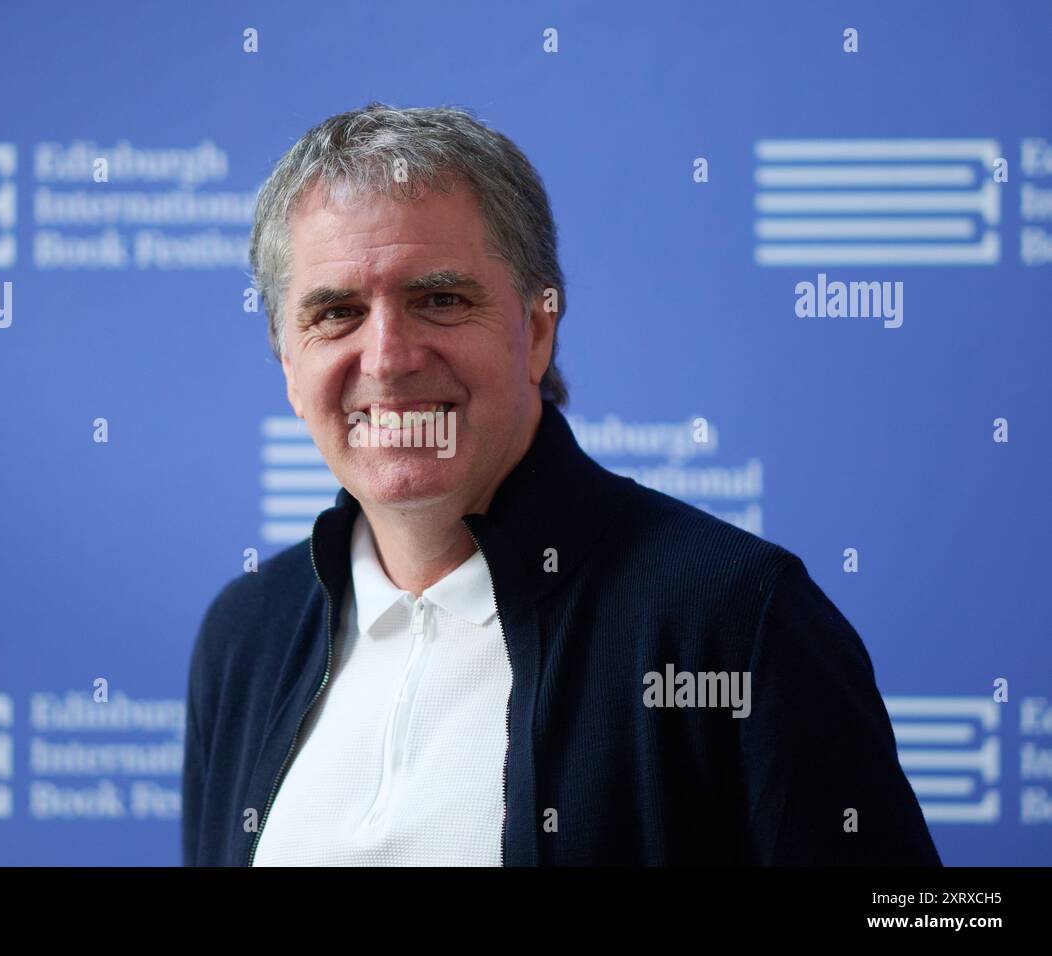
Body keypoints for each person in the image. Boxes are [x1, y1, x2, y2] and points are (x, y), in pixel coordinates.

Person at [182, 103, 941, 866]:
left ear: (538, 329)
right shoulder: (248, 632)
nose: (388, 358)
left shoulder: (734, 619)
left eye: (440, 299)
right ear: (287, 361)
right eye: (337, 313)